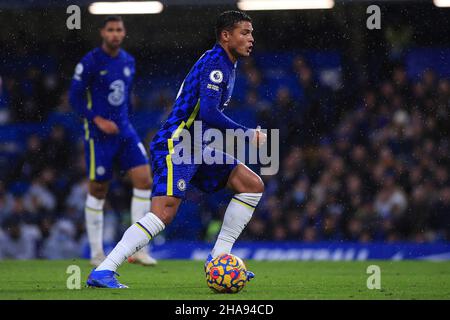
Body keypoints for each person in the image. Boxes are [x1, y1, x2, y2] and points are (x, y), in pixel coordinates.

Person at [87, 10, 266, 288]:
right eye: (245, 33)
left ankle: (218, 257)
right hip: (177, 142)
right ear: (226, 35)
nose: (251, 38)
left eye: (251, 33)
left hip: (198, 146)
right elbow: (208, 112)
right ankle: (104, 270)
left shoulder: (227, 64)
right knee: (163, 214)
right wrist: (245, 133)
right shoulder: (216, 63)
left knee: (251, 184)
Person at [69, 16, 157, 267]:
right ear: (102, 33)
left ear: (124, 32)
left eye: (119, 30)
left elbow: (127, 98)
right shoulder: (90, 61)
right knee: (98, 190)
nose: (115, 34)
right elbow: (74, 98)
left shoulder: (129, 61)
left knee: (144, 180)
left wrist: (126, 120)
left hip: (125, 131)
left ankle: (138, 249)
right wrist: (96, 119)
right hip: (99, 135)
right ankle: (97, 253)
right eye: (111, 30)